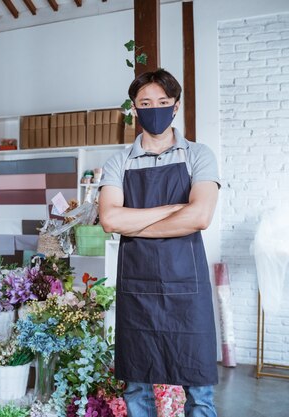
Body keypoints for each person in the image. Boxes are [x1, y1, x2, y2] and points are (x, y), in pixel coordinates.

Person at [98, 69, 220, 417]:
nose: (155, 109)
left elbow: (200, 217)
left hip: (187, 286)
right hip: (137, 288)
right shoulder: (118, 161)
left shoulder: (198, 155)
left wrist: (133, 223)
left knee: (199, 390)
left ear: (175, 107)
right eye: (146, 103)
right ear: (134, 109)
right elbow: (110, 220)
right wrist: (172, 211)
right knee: (137, 384)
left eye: (163, 102)